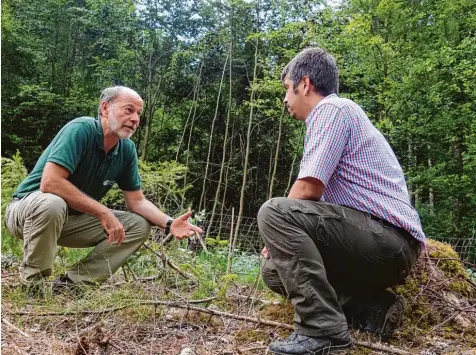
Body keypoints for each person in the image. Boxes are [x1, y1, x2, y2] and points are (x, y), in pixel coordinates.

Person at [258, 48, 425, 354]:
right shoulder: (337, 115)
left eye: (286, 89)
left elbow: (308, 188)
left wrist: (277, 227)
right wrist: (280, 241)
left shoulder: (332, 110)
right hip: (376, 246)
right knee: (272, 270)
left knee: (273, 212)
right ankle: (372, 308)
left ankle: (322, 334)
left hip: (387, 239)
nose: (285, 99)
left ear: (304, 84)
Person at [4, 86, 203, 296]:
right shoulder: (81, 130)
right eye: (128, 110)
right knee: (52, 203)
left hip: (71, 222)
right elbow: (50, 183)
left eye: (138, 114)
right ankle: (33, 289)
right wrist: (103, 212)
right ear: (105, 108)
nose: (135, 119)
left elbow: (137, 202)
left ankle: (71, 286)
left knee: (138, 225)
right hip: (28, 213)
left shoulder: (126, 150)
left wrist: (170, 223)